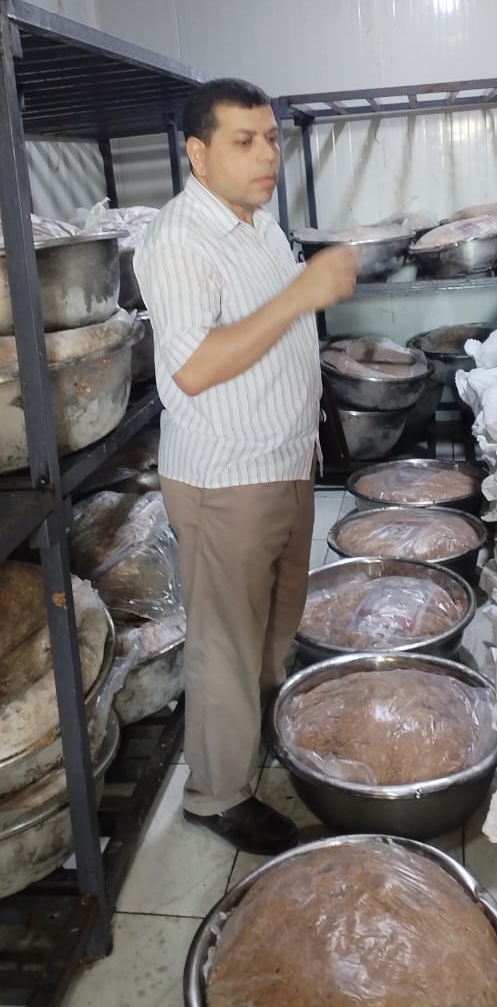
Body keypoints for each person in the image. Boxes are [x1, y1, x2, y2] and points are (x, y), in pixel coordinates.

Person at [134, 78, 357, 856]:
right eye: (244, 141)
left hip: (282, 461)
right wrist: (303, 293)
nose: (267, 156)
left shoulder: (258, 225)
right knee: (225, 644)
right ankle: (216, 794)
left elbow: (270, 330)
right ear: (198, 154)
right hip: (225, 477)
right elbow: (194, 368)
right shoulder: (177, 240)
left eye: (270, 139)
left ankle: (253, 733)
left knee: (272, 627)